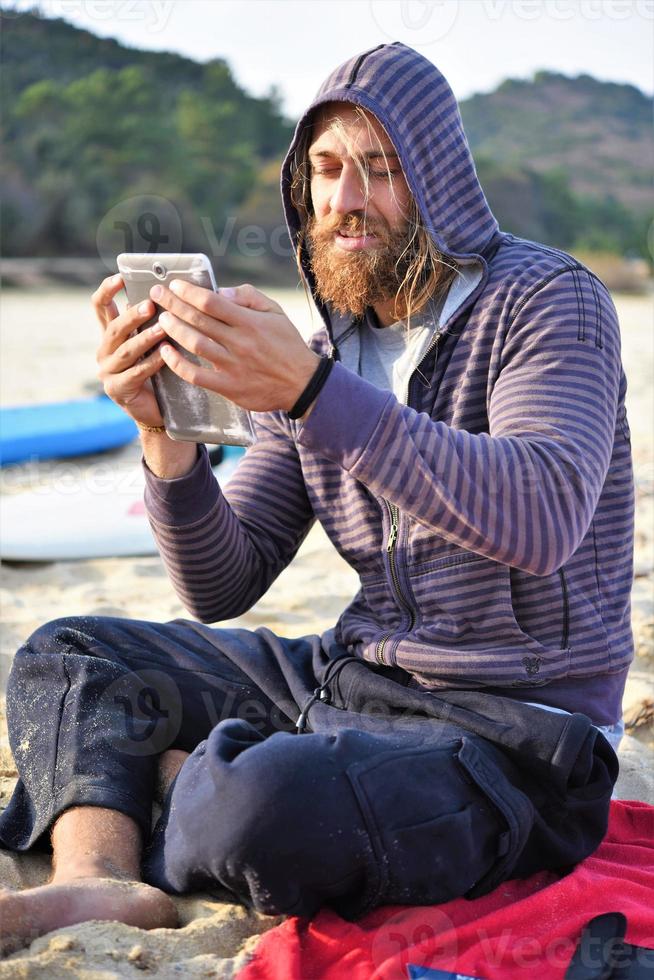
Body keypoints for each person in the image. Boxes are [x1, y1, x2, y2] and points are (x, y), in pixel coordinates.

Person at [0, 42, 633, 952]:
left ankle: (163, 785)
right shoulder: (327, 349)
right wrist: (165, 439)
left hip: (518, 738)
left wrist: (307, 392)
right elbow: (223, 582)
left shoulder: (548, 302)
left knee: (269, 810)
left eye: (381, 168)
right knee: (71, 652)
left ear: (439, 180)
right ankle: (96, 878)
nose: (344, 201)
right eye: (327, 171)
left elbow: (540, 519)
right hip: (347, 680)